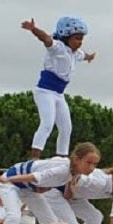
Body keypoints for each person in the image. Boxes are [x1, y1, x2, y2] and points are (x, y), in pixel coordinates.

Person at [20, 16, 96, 159]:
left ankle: (61, 159)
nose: (80, 42)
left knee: (66, 128)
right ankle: (34, 159)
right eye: (77, 38)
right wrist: (34, 29)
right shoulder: (58, 48)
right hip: (45, 91)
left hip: (59, 94)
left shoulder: (76, 53)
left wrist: (89, 57)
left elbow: (83, 56)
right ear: (66, 36)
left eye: (82, 39)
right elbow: (46, 39)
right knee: (47, 124)